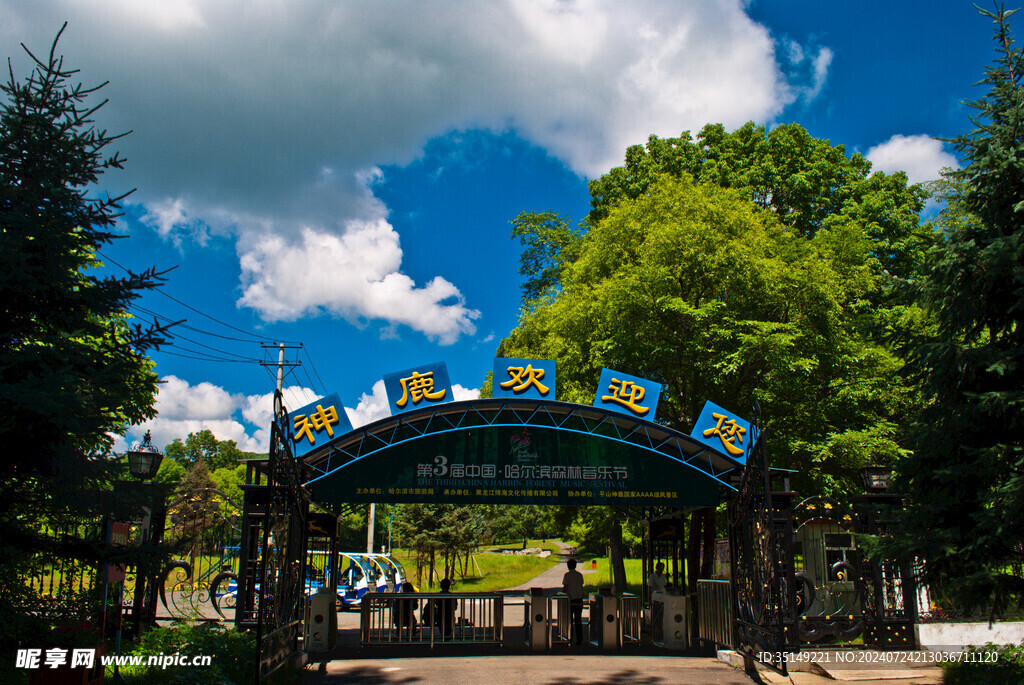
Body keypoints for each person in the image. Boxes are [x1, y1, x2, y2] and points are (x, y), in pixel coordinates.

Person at [561, 558, 585, 645]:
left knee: (569, 620)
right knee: (578, 620)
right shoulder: (579, 575)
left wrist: (561, 594)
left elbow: (566, 587)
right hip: (579, 599)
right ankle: (580, 639)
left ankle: (570, 637)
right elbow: (581, 586)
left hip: (570, 599)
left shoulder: (567, 575)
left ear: (568, 566)